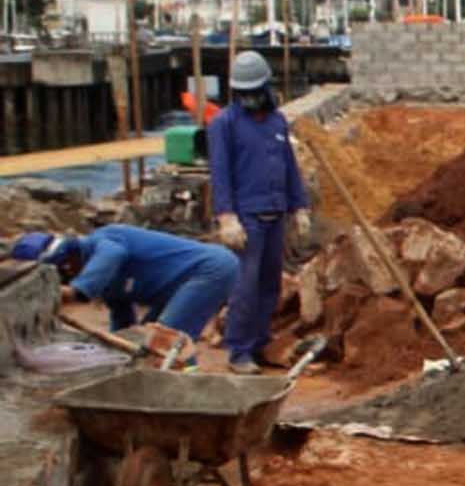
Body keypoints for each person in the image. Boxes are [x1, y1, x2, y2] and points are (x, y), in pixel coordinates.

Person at [205, 49, 311, 374]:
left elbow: (289, 167)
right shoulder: (224, 124)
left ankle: (261, 344)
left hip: (274, 213)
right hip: (247, 219)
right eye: (244, 93)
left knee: (269, 286)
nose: (251, 98)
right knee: (245, 287)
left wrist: (299, 206)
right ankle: (239, 351)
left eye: (255, 92)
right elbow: (220, 173)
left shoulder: (277, 122)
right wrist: (227, 216)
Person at [11, 227, 238, 358]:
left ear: (67, 262)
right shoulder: (107, 282)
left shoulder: (105, 240)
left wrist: (77, 291)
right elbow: (121, 316)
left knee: (166, 341)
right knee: (146, 341)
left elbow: (112, 255)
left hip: (210, 269)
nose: (68, 274)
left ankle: (184, 392)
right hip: (178, 283)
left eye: (65, 271)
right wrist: (118, 348)